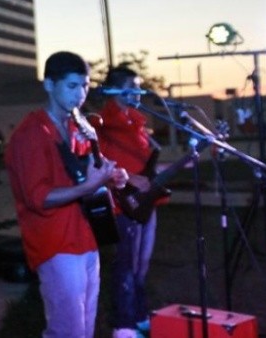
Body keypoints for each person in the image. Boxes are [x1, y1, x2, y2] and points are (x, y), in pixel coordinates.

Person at [5, 51, 129, 338]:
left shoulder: (77, 128)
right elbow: (39, 198)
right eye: (72, 86)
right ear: (49, 84)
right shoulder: (32, 134)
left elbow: (85, 174)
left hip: (86, 237)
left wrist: (110, 176)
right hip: (56, 243)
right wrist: (88, 186)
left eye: (85, 86)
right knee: (67, 331)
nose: (81, 94)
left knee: (84, 328)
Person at [95, 67, 160, 338]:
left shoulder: (137, 121)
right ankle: (123, 324)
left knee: (141, 264)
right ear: (118, 89)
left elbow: (145, 164)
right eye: (133, 86)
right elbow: (97, 161)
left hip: (144, 203)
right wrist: (132, 178)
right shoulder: (102, 123)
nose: (138, 91)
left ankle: (139, 315)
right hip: (123, 204)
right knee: (125, 264)